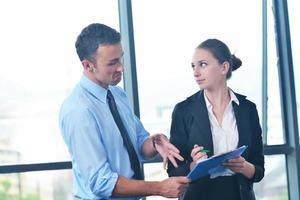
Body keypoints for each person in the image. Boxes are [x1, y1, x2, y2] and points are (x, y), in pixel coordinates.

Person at [59, 23, 190, 200]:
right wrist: (159, 188)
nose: (121, 67)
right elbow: (101, 182)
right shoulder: (79, 111)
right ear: (88, 66)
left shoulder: (117, 94)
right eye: (112, 63)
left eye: (120, 58)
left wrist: (156, 142)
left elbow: (139, 143)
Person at [167, 38, 264, 200]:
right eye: (193, 66)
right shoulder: (183, 110)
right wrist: (194, 165)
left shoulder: (248, 109)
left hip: (239, 194)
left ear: (224, 67)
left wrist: (244, 166)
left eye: (203, 64)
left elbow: (259, 170)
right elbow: (173, 171)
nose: (196, 72)